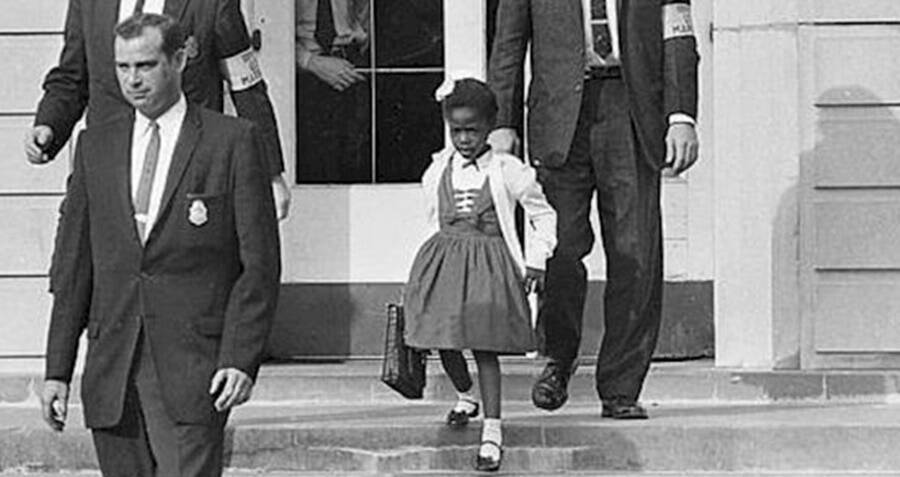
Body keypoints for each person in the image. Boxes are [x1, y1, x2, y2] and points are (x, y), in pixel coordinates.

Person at [39, 14, 281, 476]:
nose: (133, 80)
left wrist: (240, 357)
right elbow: (75, 267)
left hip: (194, 370)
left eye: (146, 66)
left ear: (180, 58)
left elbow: (260, 266)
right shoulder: (96, 146)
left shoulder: (231, 142)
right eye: (123, 67)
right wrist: (57, 369)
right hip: (113, 372)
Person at [488, 0, 700, 419]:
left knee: (635, 251)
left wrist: (681, 116)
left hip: (632, 110)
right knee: (560, 247)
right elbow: (508, 44)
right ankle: (559, 358)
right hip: (559, 116)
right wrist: (502, 122)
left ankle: (621, 386)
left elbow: (678, 36)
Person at [403, 78, 557, 471]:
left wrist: (538, 258)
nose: (464, 139)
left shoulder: (508, 170)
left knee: (484, 346)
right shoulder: (439, 169)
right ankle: (465, 394)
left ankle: (492, 430)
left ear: (490, 126)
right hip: (445, 262)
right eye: (457, 131)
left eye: (472, 130)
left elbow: (543, 214)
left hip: (489, 265)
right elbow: (431, 216)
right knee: (443, 338)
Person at [23, 0, 291, 220]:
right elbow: (72, 76)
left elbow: (246, 85)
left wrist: (271, 173)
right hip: (107, 172)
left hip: (186, 176)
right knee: (76, 273)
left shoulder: (214, 4)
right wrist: (49, 125)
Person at [296, 0, 370, 182]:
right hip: (299, 74)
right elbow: (269, 28)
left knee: (355, 159)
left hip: (349, 64)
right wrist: (309, 61)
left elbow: (364, 13)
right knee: (311, 164)